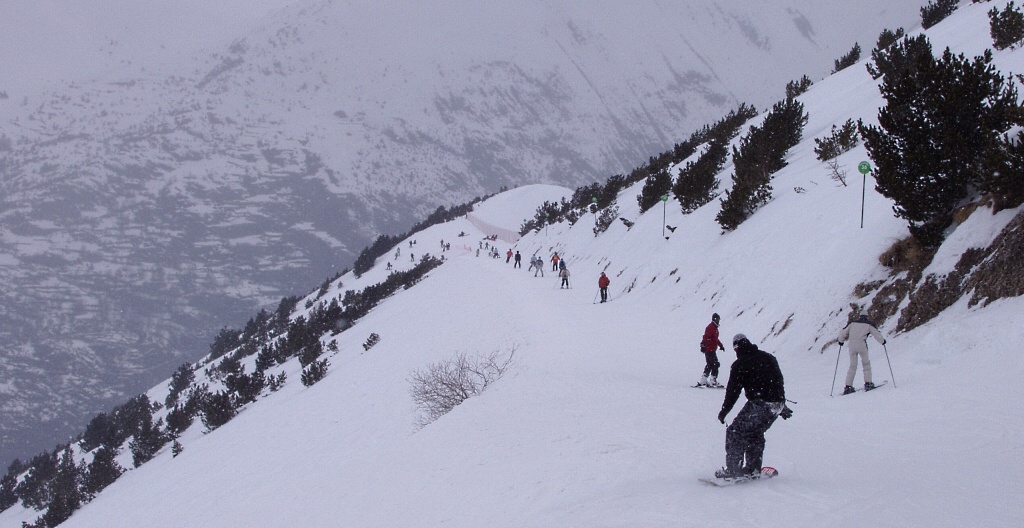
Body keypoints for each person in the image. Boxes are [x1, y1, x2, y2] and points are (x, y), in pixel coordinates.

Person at [715, 334, 792, 479]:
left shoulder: (740, 364)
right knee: (754, 433)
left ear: (736, 348)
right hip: (775, 405)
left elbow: (733, 392)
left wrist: (724, 412)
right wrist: (781, 405)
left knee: (735, 432)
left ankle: (733, 471)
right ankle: (752, 469)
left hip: (760, 404)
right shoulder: (768, 358)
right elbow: (777, 382)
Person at [838, 314, 886, 395]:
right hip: (862, 345)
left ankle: (848, 386)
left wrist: (840, 341)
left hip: (852, 346)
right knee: (866, 364)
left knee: (852, 366)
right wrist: (883, 341)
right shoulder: (868, 325)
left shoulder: (852, 324)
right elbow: (876, 334)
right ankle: (868, 383)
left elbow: (843, 333)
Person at [698, 313, 725, 387]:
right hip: (709, 349)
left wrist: (720, 345)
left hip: (711, 349)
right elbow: (706, 337)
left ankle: (703, 380)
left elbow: (715, 339)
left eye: (719, 319)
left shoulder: (715, 328)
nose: (718, 321)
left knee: (710, 364)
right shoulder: (711, 327)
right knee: (715, 364)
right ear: (713, 319)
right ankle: (713, 380)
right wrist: (703, 345)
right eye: (717, 319)